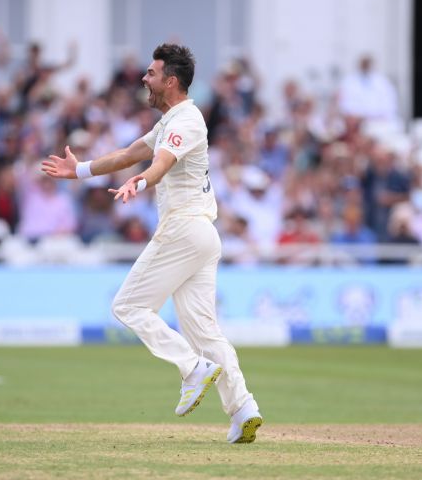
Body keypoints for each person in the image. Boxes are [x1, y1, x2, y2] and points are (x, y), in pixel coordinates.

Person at [41, 44, 262, 444]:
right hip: (202, 236)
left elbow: (159, 164)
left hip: (183, 230)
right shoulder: (170, 121)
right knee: (205, 332)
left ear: (170, 81)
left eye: (151, 73)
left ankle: (191, 368)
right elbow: (130, 153)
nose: (144, 79)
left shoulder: (187, 120)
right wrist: (80, 171)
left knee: (127, 306)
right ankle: (243, 407)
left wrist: (140, 182)